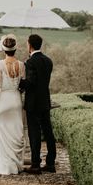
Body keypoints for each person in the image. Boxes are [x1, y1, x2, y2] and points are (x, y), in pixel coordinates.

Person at [19, 33, 57, 174]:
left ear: (29, 45)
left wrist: (20, 83)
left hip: (33, 103)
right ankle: (50, 163)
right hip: (45, 101)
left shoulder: (30, 62)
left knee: (34, 133)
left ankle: (35, 164)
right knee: (48, 132)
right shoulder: (48, 61)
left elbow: (30, 82)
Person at [0, 34, 25, 175]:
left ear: (4, 50)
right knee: (16, 132)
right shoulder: (21, 65)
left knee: (2, 134)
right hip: (16, 100)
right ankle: (16, 166)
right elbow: (22, 84)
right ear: (15, 49)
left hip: (3, 100)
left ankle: (4, 166)